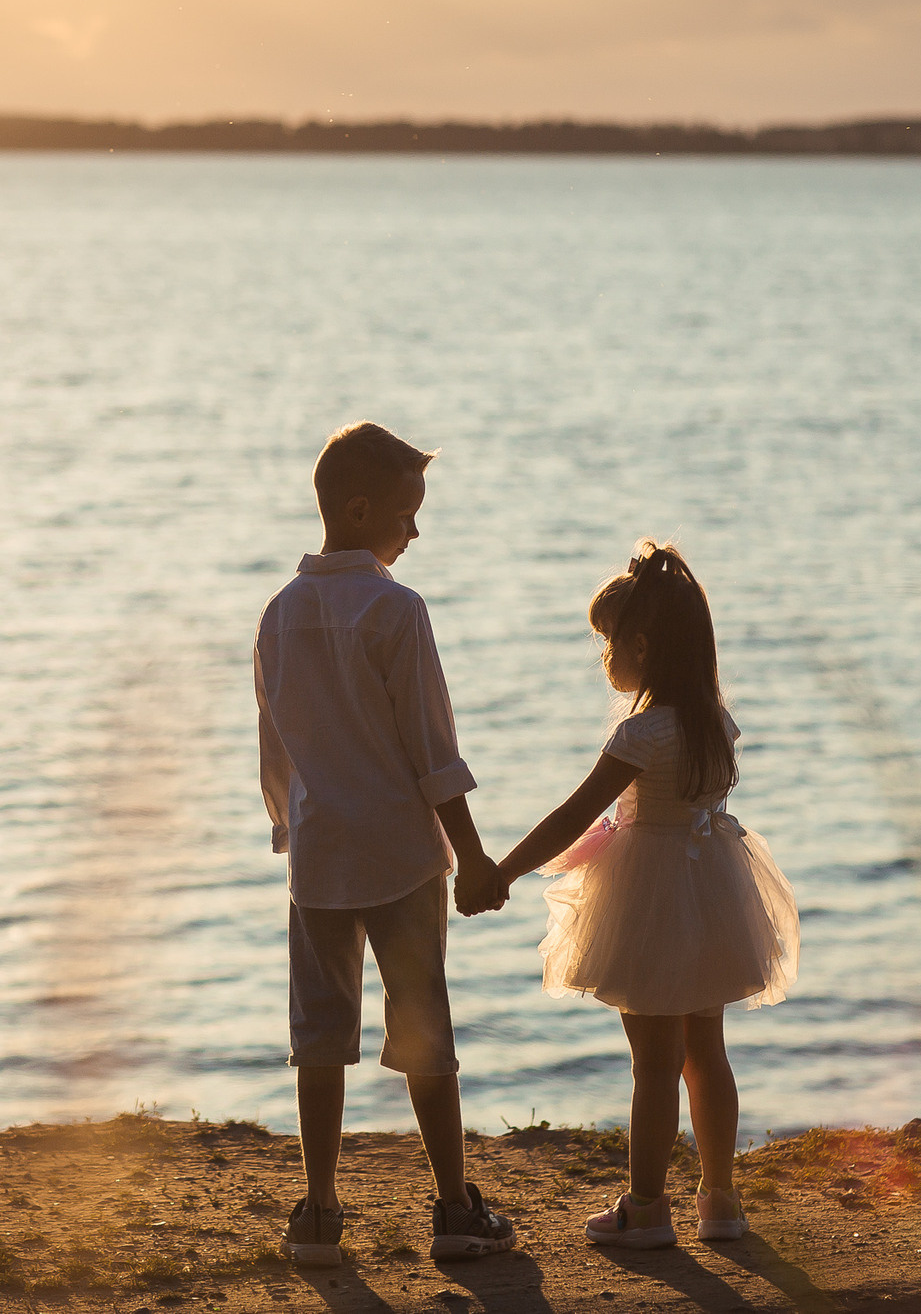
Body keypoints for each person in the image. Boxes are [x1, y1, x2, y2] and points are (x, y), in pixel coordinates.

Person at [257, 421, 520, 1266]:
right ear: (364, 509)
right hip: (402, 859)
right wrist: (473, 856)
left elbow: (276, 748)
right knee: (424, 1032)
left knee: (319, 1036)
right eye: (409, 514)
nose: (416, 532)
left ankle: (320, 1210)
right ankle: (452, 1207)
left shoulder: (278, 615)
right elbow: (431, 751)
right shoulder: (395, 610)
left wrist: (288, 827)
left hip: (319, 858)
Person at [491, 542, 800, 1248]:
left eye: (607, 644)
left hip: (652, 897)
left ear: (639, 645)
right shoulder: (713, 721)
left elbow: (572, 815)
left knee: (654, 1062)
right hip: (714, 890)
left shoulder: (640, 733)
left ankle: (647, 1207)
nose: (604, 661)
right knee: (706, 1052)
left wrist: (503, 870)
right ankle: (721, 1200)